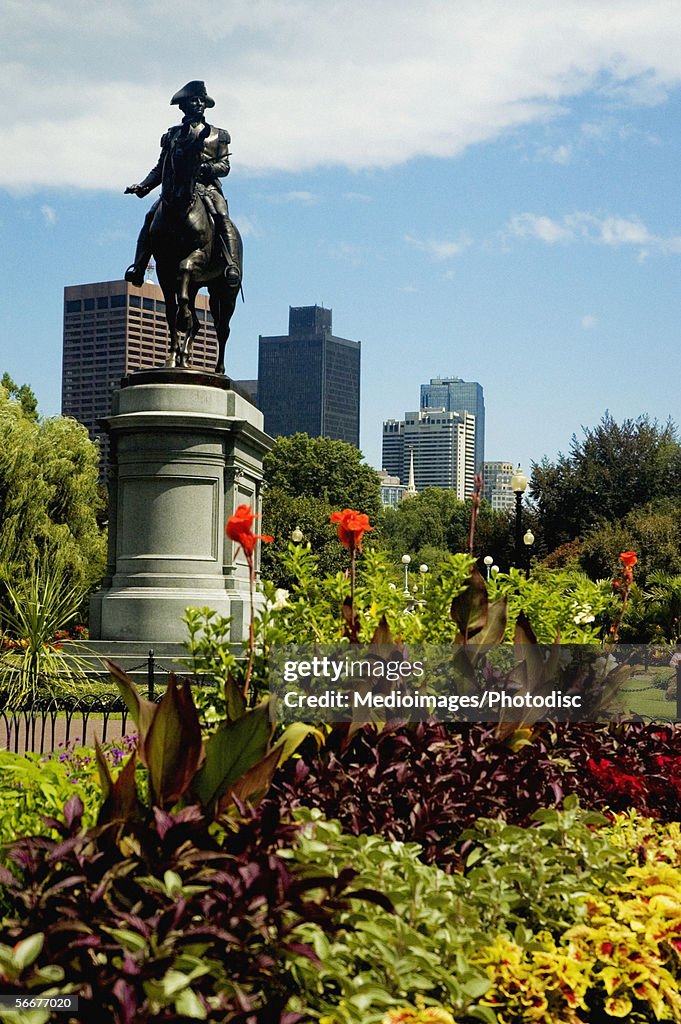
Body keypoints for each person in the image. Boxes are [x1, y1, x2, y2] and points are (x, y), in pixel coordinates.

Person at [124, 81, 241, 288]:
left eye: (201, 100)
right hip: (177, 188)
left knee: (222, 216)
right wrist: (143, 186)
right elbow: (161, 167)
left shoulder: (218, 134)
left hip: (207, 188)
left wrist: (207, 169)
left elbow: (225, 165)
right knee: (151, 216)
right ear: (183, 106)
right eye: (193, 100)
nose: (198, 104)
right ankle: (139, 266)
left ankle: (231, 264)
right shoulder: (171, 135)